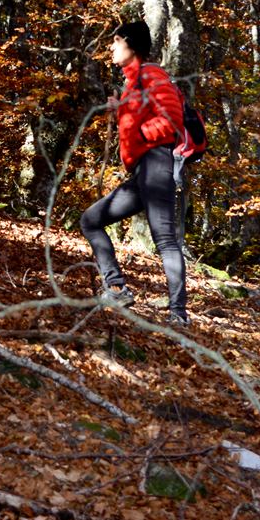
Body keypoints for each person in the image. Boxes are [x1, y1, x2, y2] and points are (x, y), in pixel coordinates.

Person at [80, 19, 189, 325]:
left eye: (115, 41)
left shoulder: (151, 74)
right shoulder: (133, 82)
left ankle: (178, 314)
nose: (111, 48)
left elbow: (172, 120)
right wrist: (121, 109)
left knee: (164, 239)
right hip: (143, 171)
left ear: (130, 44)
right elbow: (143, 114)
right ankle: (116, 288)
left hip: (157, 164)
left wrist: (140, 135)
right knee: (91, 220)